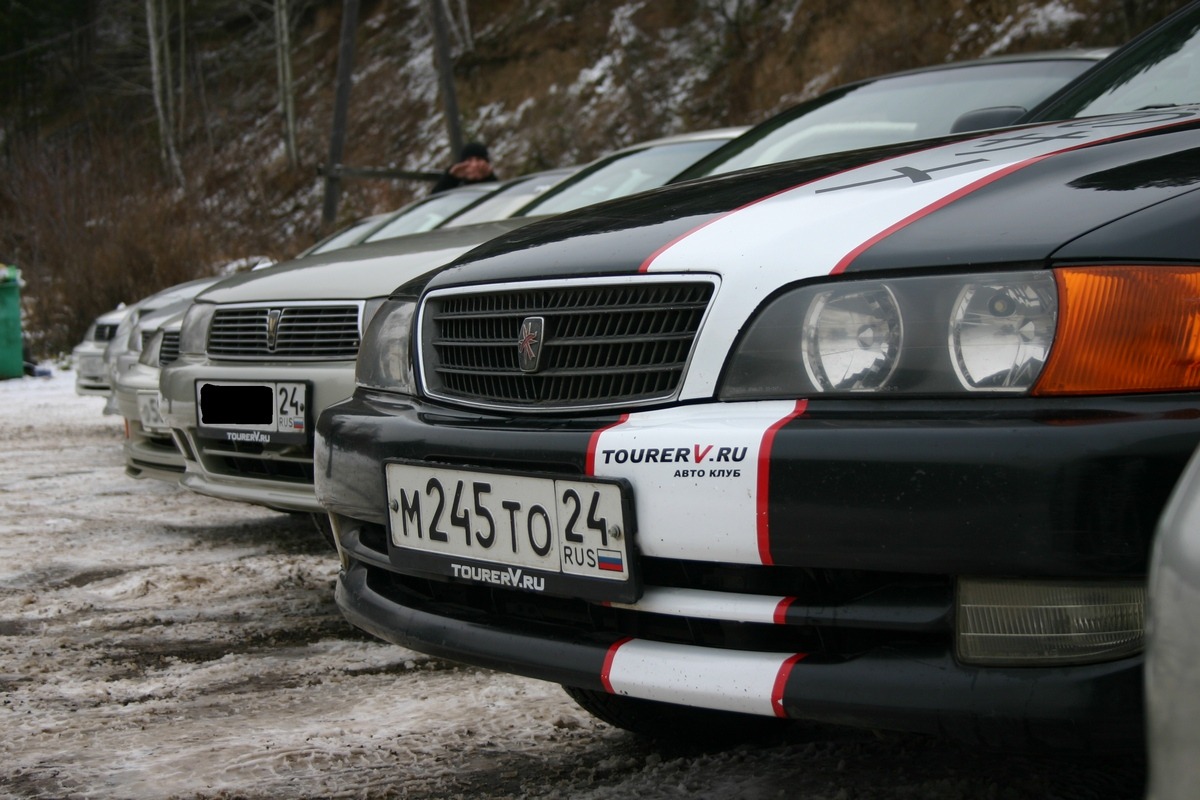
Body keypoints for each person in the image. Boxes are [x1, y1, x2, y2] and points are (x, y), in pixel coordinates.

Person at [429, 142, 497, 194]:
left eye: (478, 159)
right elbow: (432, 203)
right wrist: (450, 178)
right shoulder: (455, 186)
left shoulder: (494, 185)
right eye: (469, 160)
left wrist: (488, 177)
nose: (474, 165)